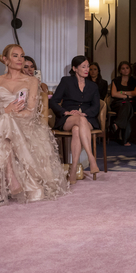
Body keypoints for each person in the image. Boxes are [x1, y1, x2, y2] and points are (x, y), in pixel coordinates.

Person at [0, 44, 69, 206]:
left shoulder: (31, 81)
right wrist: (6, 110)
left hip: (24, 123)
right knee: (5, 122)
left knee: (7, 121)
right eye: (15, 56)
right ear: (5, 59)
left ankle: (0, 186)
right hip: (0, 122)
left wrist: (10, 114)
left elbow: (31, 112)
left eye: (22, 55)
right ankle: (11, 176)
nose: (20, 59)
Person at [49, 56, 101, 184]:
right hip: (68, 119)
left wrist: (84, 114)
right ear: (74, 68)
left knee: (77, 129)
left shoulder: (93, 86)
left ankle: (73, 171)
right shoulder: (66, 81)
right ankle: (91, 157)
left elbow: (96, 106)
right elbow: (54, 102)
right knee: (77, 121)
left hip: (87, 119)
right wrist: (64, 111)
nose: (87, 69)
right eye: (83, 67)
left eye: (87, 66)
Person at [110, 61, 136, 146]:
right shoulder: (115, 80)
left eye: (127, 68)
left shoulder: (134, 81)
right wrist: (128, 94)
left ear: (130, 69)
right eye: (123, 68)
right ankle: (125, 140)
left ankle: (117, 124)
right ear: (120, 70)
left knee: (127, 106)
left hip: (131, 103)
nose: (125, 70)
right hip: (118, 103)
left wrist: (122, 92)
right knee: (126, 108)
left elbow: (135, 93)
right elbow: (113, 94)